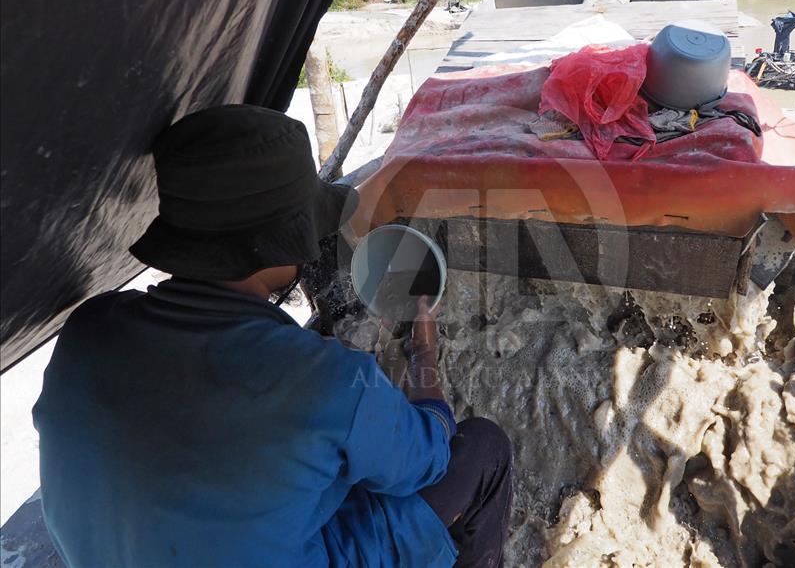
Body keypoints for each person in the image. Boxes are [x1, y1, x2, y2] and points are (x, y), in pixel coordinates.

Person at [33, 105, 513, 567]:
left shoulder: (89, 329)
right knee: (483, 449)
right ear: (282, 242)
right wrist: (423, 356)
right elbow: (428, 459)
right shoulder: (328, 382)